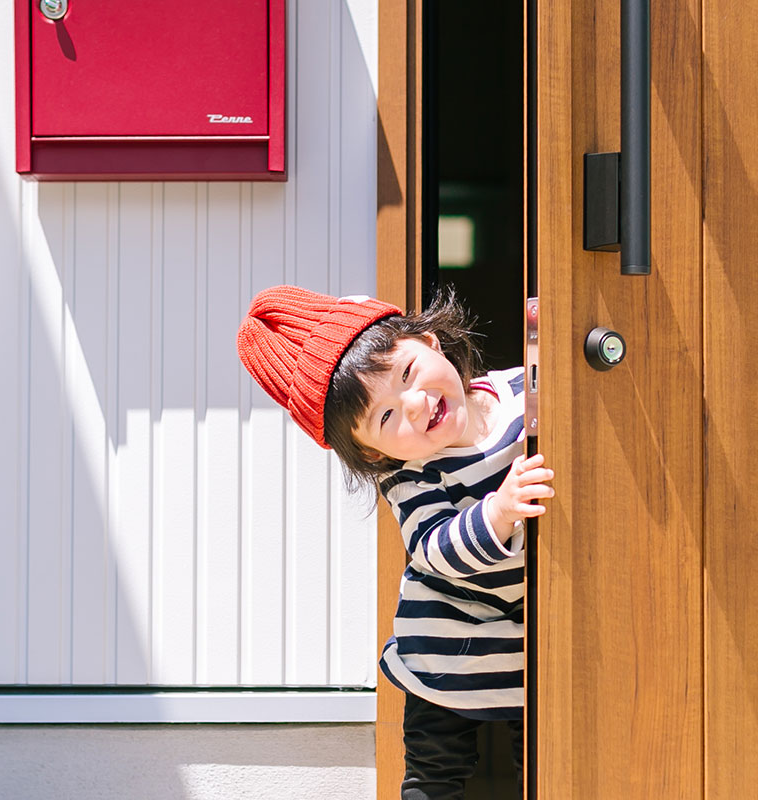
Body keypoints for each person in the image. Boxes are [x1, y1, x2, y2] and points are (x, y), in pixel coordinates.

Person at [236, 285, 552, 799]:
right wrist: (497, 510)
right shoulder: (411, 474)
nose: (413, 405)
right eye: (385, 418)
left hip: (526, 645)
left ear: (429, 341)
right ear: (373, 454)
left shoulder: (526, 391)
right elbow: (434, 547)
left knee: (544, 767)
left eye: (407, 374)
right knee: (433, 777)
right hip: (446, 648)